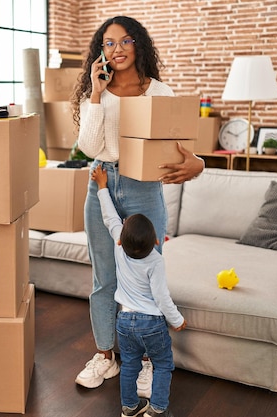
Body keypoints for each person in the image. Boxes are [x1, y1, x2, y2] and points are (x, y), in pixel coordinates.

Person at [70, 16, 204, 393]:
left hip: (144, 188)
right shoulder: (96, 93)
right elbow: (90, 148)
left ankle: (146, 360)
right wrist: (97, 94)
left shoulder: (159, 92)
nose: (118, 49)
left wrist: (199, 164)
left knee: (146, 277)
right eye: (109, 43)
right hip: (102, 185)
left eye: (125, 41)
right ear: (101, 51)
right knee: (103, 279)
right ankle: (105, 357)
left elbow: (184, 151)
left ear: (138, 45)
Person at [91, 164, 186, 417]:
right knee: (163, 364)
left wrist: (102, 187)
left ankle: (129, 407)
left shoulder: (118, 246)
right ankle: (156, 409)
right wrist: (177, 321)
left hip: (124, 322)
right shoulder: (155, 260)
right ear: (156, 240)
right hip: (152, 324)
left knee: (130, 366)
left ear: (121, 237)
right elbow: (162, 298)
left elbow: (110, 217)